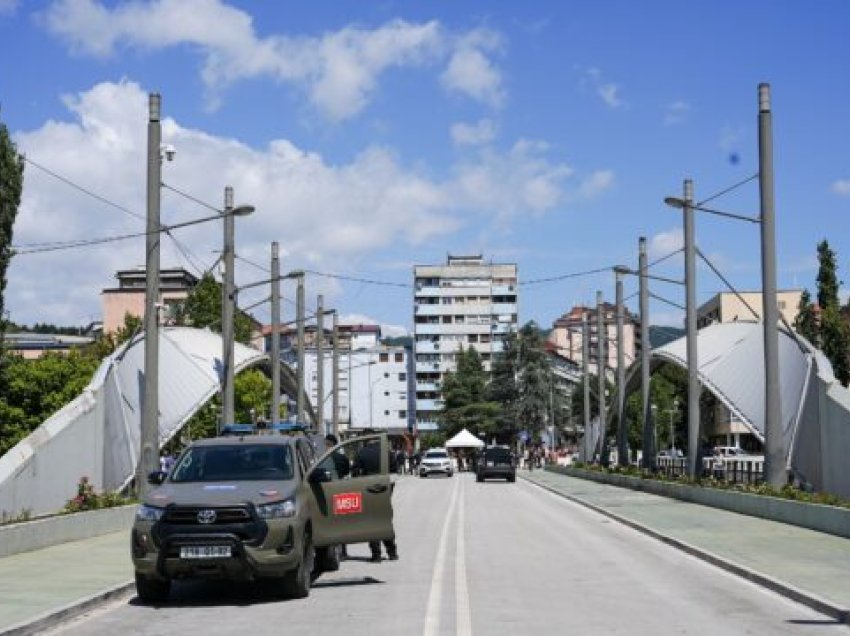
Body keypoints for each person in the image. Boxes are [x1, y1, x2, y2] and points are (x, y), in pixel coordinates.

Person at [354, 431, 399, 562]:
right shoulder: (387, 452)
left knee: (371, 523)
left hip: (368, 491)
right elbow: (394, 472)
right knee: (385, 521)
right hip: (384, 491)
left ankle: (376, 555)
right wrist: (389, 490)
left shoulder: (362, 453)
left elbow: (355, 473)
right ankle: (392, 553)